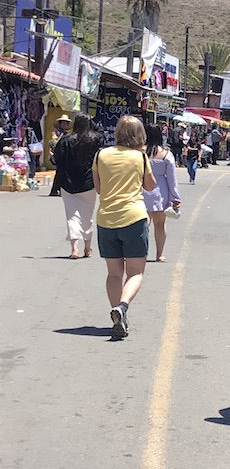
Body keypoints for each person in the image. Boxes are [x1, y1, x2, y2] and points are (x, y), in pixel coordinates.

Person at [92, 115, 156, 340]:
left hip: (106, 220)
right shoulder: (140, 157)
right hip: (133, 218)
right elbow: (150, 186)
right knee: (136, 272)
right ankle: (122, 307)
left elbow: (98, 188)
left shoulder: (101, 155)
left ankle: (117, 315)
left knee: (113, 273)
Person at [53, 112, 103, 258]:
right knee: (87, 215)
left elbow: (57, 159)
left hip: (68, 183)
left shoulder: (66, 140)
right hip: (89, 183)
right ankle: (87, 248)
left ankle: (74, 248)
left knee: (72, 215)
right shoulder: (96, 139)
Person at [142, 123, 182, 262]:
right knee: (160, 224)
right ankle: (159, 254)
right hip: (160, 191)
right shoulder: (166, 154)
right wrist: (175, 197)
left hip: (142, 188)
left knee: (143, 224)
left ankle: (141, 252)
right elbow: (172, 178)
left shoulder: (140, 153)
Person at [48, 114, 73, 196]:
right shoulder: (56, 133)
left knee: (63, 173)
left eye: (66, 123)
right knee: (60, 173)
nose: (64, 125)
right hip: (58, 154)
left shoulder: (67, 134)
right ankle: (55, 190)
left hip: (65, 155)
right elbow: (53, 143)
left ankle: (60, 190)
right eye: (63, 123)